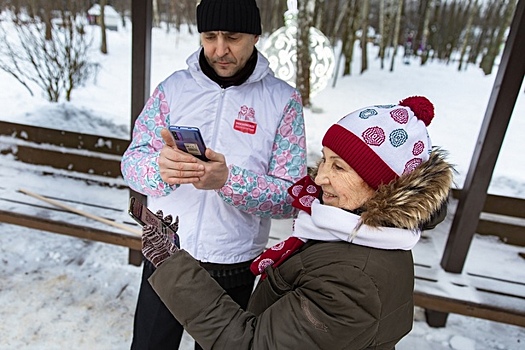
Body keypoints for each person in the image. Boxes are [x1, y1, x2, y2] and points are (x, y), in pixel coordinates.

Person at [140, 96, 454, 349]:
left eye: (339, 167)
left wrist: (171, 267)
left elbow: (252, 345)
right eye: (325, 159)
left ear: (383, 185)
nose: (320, 177)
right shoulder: (352, 232)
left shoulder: (353, 281)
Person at [120, 0, 307, 348]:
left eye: (232, 37)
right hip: (166, 252)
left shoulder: (283, 101)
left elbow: (291, 196)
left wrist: (228, 182)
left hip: (233, 260)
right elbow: (132, 161)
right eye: (209, 37)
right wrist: (158, 169)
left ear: (255, 35)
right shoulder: (173, 89)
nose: (220, 50)